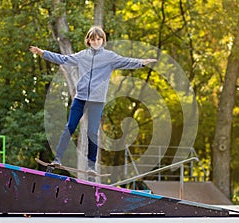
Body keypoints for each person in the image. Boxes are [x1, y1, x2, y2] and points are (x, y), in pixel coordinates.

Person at [29, 26, 157, 175]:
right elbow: (63, 59)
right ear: (88, 40)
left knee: (92, 132)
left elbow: (125, 61)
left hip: (97, 101)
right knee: (69, 127)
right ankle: (57, 159)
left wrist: (142, 62)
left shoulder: (109, 57)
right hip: (80, 98)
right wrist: (43, 53)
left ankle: (91, 166)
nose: (96, 41)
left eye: (99, 39)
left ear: (103, 40)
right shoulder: (82, 55)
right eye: (93, 39)